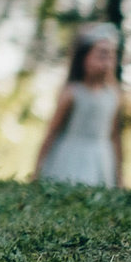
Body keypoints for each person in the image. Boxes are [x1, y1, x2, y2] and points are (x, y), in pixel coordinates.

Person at [35, 23, 124, 188]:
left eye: (111, 55)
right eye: (101, 54)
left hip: (101, 159)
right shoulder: (72, 92)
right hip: (71, 156)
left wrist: (119, 177)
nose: (107, 60)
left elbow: (114, 135)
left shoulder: (113, 95)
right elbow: (52, 131)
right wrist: (37, 170)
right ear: (85, 57)